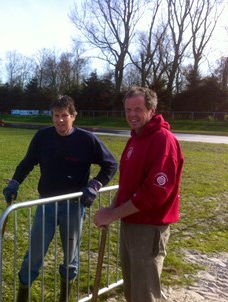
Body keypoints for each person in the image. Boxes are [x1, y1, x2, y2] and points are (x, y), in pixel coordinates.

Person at [3, 95, 118, 302]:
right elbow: (27, 162)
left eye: (65, 115)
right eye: (56, 115)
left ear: (73, 116)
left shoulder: (86, 140)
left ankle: (65, 296)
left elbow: (110, 164)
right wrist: (15, 182)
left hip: (74, 207)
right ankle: (23, 294)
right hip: (45, 205)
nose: (60, 120)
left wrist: (95, 184)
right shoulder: (42, 137)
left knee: (70, 256)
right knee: (34, 254)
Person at [93, 86, 184, 302]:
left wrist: (112, 215)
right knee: (133, 290)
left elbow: (153, 193)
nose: (131, 115)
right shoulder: (135, 139)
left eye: (137, 109)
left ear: (151, 110)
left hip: (149, 227)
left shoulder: (163, 140)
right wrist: (112, 210)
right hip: (131, 224)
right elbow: (128, 185)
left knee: (145, 293)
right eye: (127, 110)